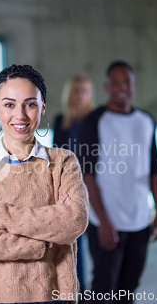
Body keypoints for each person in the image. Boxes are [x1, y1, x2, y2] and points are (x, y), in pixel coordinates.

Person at [0, 64, 89, 304]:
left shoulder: (64, 161)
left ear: (42, 108)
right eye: (9, 104)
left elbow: (74, 220)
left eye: (30, 104)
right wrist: (42, 242)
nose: (20, 115)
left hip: (53, 295)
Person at [78, 61, 157, 304]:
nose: (121, 87)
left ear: (134, 85)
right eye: (115, 82)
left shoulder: (146, 120)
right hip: (106, 221)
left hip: (139, 220)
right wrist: (104, 220)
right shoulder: (94, 120)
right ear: (106, 86)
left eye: (126, 81)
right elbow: (87, 175)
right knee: (104, 289)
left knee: (128, 289)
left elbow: (154, 169)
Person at [53, 74, 94, 295]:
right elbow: (56, 158)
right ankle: (78, 287)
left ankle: (95, 288)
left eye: (85, 91)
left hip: (92, 186)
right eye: (77, 90)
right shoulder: (61, 121)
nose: (81, 95)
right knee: (73, 240)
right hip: (69, 187)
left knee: (95, 240)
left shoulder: (95, 119)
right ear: (70, 94)